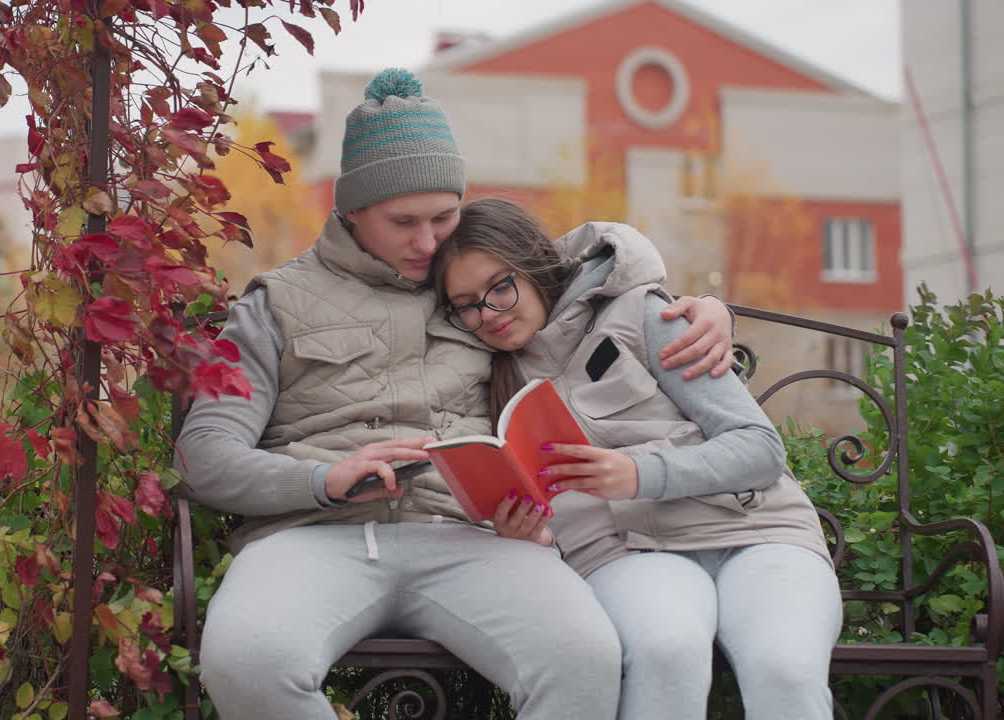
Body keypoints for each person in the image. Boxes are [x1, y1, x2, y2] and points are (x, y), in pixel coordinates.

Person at [174, 69, 736, 719]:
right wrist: (326, 480)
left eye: (444, 218)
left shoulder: (483, 285)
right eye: (403, 222)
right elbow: (205, 454)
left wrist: (709, 308)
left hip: (473, 538)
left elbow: (605, 264)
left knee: (584, 656)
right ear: (351, 209)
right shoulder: (274, 303)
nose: (426, 242)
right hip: (312, 534)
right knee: (246, 659)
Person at [432, 197, 843, 720]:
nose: (487, 314)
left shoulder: (641, 313)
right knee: (665, 650)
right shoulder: (482, 373)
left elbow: (759, 449)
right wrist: (526, 533)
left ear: (533, 266)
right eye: (465, 305)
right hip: (624, 554)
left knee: (783, 666)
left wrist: (637, 473)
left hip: (756, 529)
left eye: (500, 287)